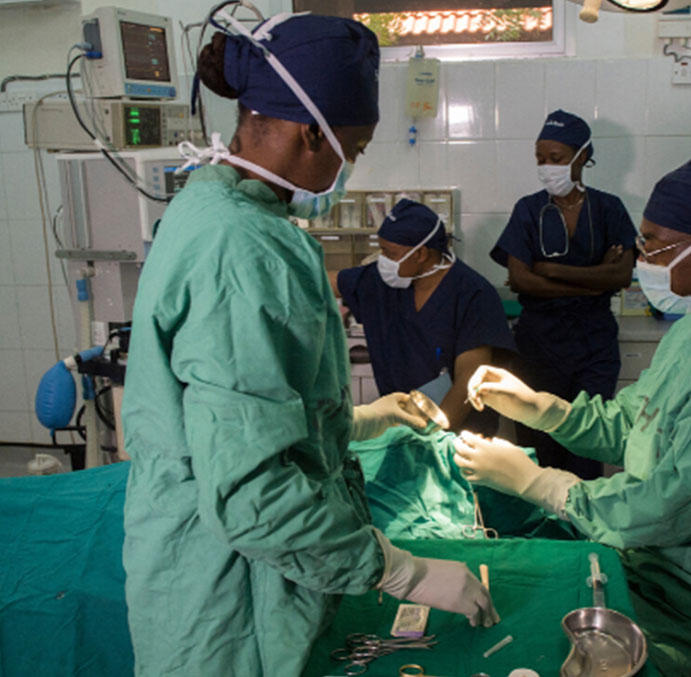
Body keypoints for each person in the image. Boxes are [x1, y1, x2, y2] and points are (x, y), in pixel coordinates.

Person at [121, 13, 497, 677]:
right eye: (352, 148)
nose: (351, 167)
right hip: (231, 602)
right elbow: (248, 492)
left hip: (232, 569)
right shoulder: (240, 252)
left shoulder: (210, 209)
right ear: (306, 135)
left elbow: (247, 418)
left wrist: (346, 422)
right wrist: (402, 570)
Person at [457, 158, 691, 676]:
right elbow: (632, 426)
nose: (641, 257)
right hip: (655, 559)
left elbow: (669, 504)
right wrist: (542, 408)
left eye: (655, 244)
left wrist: (543, 484)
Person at [491, 109, 635, 479]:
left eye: (555, 158)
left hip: (594, 342)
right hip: (539, 341)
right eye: (540, 159)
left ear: (581, 157)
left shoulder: (609, 209)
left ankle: (583, 527)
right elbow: (521, 280)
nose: (546, 167)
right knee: (539, 440)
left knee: (588, 439)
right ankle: (544, 524)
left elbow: (621, 275)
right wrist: (594, 279)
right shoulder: (529, 209)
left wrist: (553, 270)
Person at [335, 199, 516, 433]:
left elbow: (467, 383)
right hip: (401, 425)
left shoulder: (473, 294)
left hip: (460, 433)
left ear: (420, 254)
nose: (382, 260)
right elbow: (320, 282)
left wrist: (432, 438)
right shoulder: (379, 281)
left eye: (389, 253)